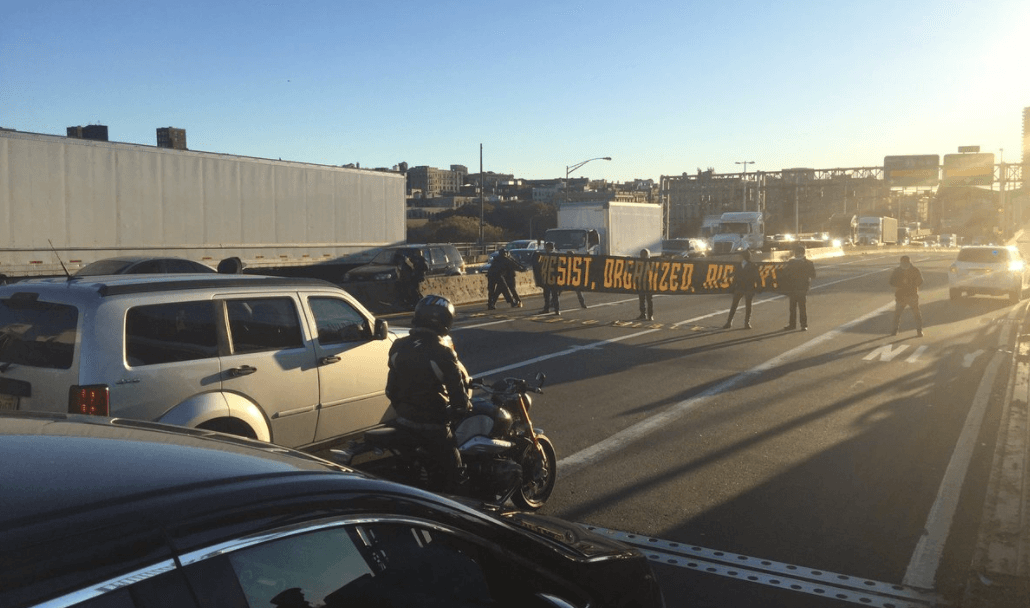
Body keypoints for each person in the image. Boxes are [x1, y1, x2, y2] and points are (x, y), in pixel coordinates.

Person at [385, 295, 472, 493]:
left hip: (404, 422)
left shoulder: (398, 346)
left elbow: (391, 390)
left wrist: (404, 409)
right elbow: (458, 398)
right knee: (456, 475)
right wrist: (463, 407)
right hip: (434, 426)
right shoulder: (443, 353)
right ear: (445, 321)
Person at [723, 249, 760, 329]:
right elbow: (737, 275)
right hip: (743, 287)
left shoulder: (749, 265)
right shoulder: (747, 265)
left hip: (745, 287)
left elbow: (756, 277)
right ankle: (743, 323)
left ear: (743, 257)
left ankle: (731, 322)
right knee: (743, 306)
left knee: (739, 305)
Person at [781, 245, 816, 331]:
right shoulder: (791, 262)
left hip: (802, 288)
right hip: (792, 287)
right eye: (796, 252)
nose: (796, 254)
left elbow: (813, 275)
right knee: (792, 308)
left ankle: (803, 325)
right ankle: (792, 324)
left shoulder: (808, 263)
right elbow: (785, 273)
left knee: (802, 307)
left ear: (802, 253)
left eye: (798, 253)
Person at [889, 255, 924, 337]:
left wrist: (912, 285)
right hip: (901, 295)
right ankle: (895, 330)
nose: (904, 264)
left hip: (911, 295)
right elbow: (891, 281)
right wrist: (900, 284)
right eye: (903, 262)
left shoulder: (914, 270)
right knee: (898, 314)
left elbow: (920, 281)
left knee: (916, 314)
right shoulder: (897, 271)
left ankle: (919, 330)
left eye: (905, 262)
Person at [533, 242, 559, 314]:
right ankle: (547, 308)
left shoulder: (556, 255)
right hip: (546, 278)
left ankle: (556, 310)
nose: (546, 249)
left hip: (553, 278)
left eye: (547, 247)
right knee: (547, 295)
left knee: (554, 295)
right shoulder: (544, 255)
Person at [637, 248, 654, 321]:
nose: (643, 256)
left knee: (649, 300)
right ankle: (643, 314)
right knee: (641, 299)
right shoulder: (639, 263)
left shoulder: (651, 263)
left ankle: (650, 315)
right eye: (642, 254)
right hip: (641, 283)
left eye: (644, 254)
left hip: (649, 284)